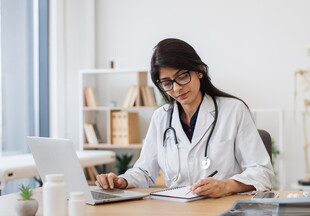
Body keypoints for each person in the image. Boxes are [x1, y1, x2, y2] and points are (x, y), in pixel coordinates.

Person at [96, 38, 274, 197]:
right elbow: (144, 171)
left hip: (223, 207)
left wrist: (225, 186)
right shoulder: (161, 118)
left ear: (199, 70)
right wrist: (122, 181)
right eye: (167, 83)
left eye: (182, 77)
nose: (176, 88)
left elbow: (261, 172)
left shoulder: (234, 110)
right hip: (176, 211)